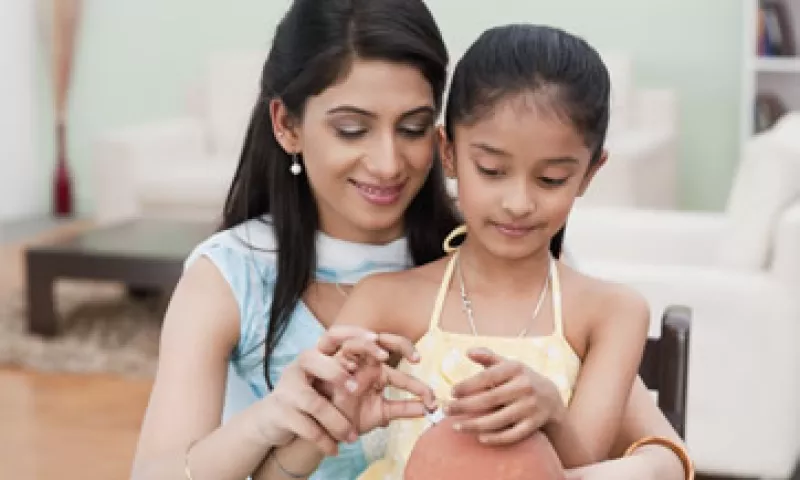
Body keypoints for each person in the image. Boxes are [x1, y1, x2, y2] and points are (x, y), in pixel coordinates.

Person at [131, 1, 692, 479]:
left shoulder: (503, 252)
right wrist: (273, 419)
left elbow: (660, 454)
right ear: (287, 125)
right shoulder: (231, 275)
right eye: (352, 129)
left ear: (442, 139)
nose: (387, 163)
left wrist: (570, 436)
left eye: (412, 127)